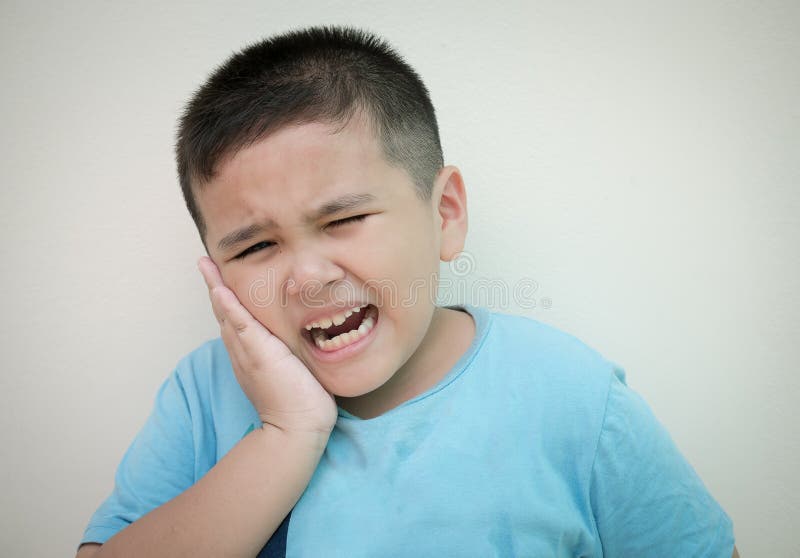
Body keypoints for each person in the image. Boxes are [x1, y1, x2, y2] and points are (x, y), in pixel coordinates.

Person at [77, 26, 738, 557]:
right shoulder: (202, 395)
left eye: (343, 220)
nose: (308, 277)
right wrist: (285, 433)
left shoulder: (576, 400)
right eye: (254, 248)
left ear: (444, 214)